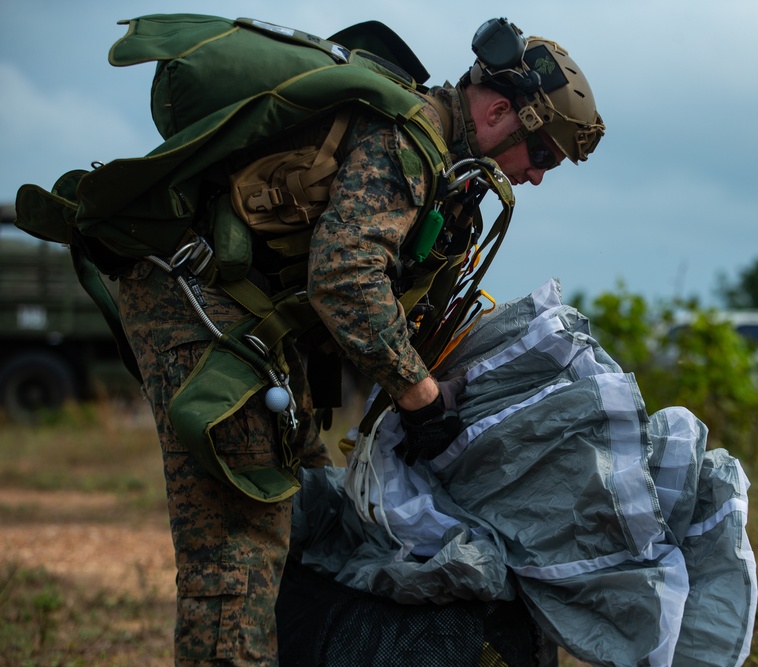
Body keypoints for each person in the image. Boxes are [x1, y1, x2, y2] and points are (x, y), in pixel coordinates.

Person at [117, 16, 604, 666]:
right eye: (541, 152)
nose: (538, 175)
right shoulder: (407, 141)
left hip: (251, 321)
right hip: (195, 299)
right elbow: (345, 277)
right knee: (242, 536)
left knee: (314, 510)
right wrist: (422, 398)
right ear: (495, 110)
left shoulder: (439, 169)